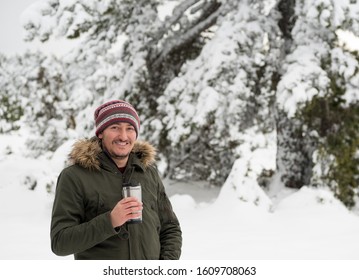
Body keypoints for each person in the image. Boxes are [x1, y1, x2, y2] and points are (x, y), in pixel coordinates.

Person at [50, 100, 182, 260]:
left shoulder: (148, 173)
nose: (123, 136)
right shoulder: (75, 177)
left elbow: (170, 228)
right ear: (100, 133)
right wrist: (110, 221)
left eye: (130, 128)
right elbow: (60, 242)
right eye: (115, 127)